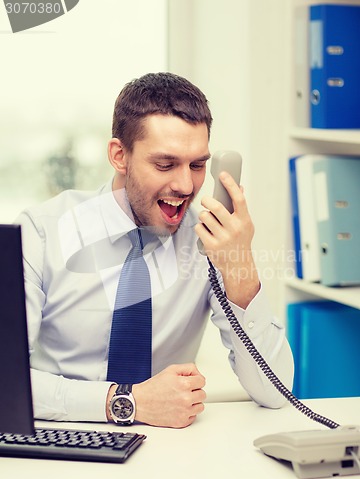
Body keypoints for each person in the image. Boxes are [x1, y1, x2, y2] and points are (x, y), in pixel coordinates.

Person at [17, 72, 294, 429]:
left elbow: (276, 392)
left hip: (166, 449)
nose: (184, 185)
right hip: (61, 437)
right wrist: (124, 402)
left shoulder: (208, 242)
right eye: (165, 164)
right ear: (120, 156)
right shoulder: (41, 232)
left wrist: (239, 265)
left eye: (197, 165)